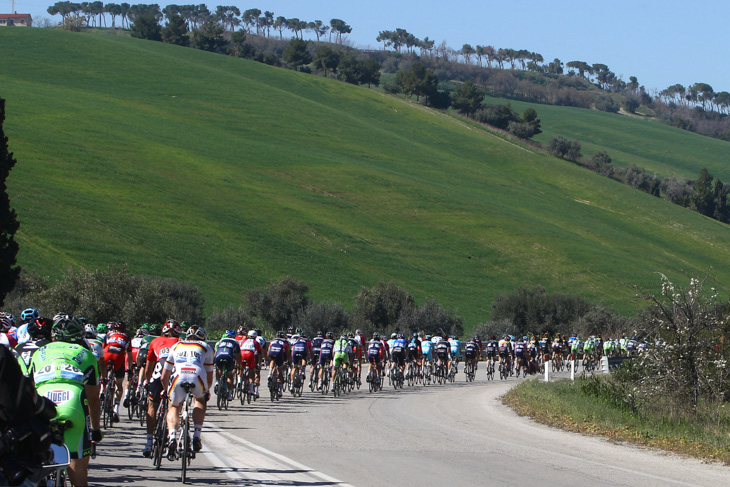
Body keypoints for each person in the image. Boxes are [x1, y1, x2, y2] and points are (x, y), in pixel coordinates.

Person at [28, 315, 102, 487]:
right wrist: (96, 430)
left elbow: (29, 391)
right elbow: (93, 400)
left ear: (53, 336)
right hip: (73, 403)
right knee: (78, 470)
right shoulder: (87, 354)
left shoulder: (39, 352)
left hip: (43, 403)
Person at [162, 325, 214, 457]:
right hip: (197, 375)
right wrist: (206, 391)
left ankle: (172, 437)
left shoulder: (177, 345)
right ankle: (197, 436)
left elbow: (165, 375)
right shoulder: (206, 347)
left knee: (174, 406)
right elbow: (209, 375)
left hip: (179, 375)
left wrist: (165, 390)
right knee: (200, 400)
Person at [142, 319, 181, 457]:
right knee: (174, 407)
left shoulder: (155, 341)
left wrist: (147, 380)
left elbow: (149, 367)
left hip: (158, 373)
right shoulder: (180, 341)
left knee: (152, 406)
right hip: (174, 374)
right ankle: (172, 437)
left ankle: (148, 443)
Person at [102, 321, 133, 423]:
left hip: (107, 354)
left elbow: (102, 348)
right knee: (119, 385)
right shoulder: (127, 337)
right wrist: (128, 369)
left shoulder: (108, 335)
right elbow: (129, 355)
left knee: (103, 376)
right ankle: (116, 409)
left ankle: (102, 390)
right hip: (118, 356)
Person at [214, 330, 241, 401]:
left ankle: (217, 381)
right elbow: (238, 356)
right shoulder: (235, 342)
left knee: (219, 369)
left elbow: (215, 353)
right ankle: (229, 394)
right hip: (228, 358)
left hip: (219, 357)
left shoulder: (220, 341)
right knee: (229, 376)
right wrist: (239, 365)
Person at [240, 329, 263, 398]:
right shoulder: (256, 342)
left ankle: (239, 381)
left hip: (242, 354)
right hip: (250, 355)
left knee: (240, 369)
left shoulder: (243, 341)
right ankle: (251, 389)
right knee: (252, 371)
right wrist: (259, 363)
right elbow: (259, 354)